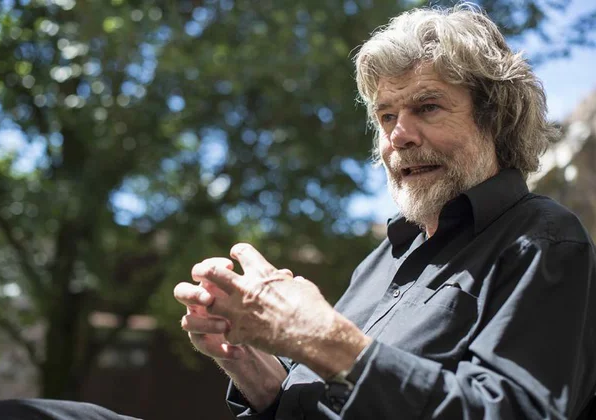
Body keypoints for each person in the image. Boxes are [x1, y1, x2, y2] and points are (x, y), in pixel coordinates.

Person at [173, 4, 596, 420]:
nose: (399, 136)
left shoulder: (545, 242)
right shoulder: (383, 259)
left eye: (427, 107)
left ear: (497, 119)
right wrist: (249, 363)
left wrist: (322, 338)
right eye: (386, 115)